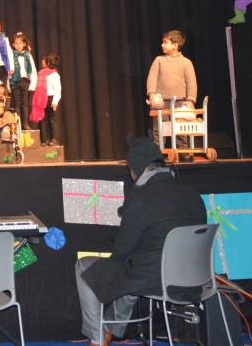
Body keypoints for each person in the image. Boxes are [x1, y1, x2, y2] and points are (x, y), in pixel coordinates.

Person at [74, 137, 206, 346]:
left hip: (156, 280)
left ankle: (97, 337)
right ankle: (110, 329)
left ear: (138, 168)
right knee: (133, 269)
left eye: (130, 170)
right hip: (194, 279)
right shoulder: (193, 195)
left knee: (86, 266)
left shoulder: (140, 197)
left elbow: (121, 251)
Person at [145, 30, 197, 148]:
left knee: (181, 128)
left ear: (175, 45)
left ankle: (183, 151)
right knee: (159, 128)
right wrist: (151, 93)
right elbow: (152, 78)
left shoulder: (186, 63)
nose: (162, 45)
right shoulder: (159, 60)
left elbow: (191, 83)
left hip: (180, 102)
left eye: (165, 43)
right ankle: (158, 150)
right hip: (161, 101)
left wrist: (190, 100)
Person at [30, 53, 62, 146]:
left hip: (50, 99)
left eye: (44, 60)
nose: (42, 61)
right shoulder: (41, 73)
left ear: (49, 62)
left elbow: (58, 89)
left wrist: (55, 102)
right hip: (42, 99)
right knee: (45, 120)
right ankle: (48, 138)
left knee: (52, 120)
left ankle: (54, 139)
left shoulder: (54, 75)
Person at [8, 32, 37, 130]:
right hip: (15, 82)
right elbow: (9, 70)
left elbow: (33, 70)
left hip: (25, 81)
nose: (18, 45)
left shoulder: (28, 55)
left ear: (24, 44)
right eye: (16, 43)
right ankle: (17, 124)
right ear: (13, 45)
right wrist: (8, 84)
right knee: (17, 104)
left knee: (25, 104)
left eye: (20, 43)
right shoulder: (11, 55)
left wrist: (32, 85)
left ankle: (25, 123)